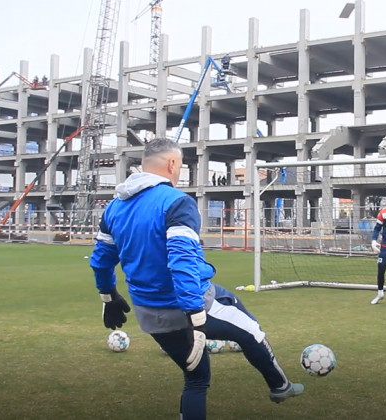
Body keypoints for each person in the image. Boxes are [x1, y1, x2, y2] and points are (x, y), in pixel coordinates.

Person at [89, 138, 303, 420]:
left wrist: (109, 296)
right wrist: (194, 312)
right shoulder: (177, 203)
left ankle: (278, 386)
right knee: (252, 332)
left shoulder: (114, 208)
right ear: (172, 164)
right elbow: (182, 260)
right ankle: (280, 387)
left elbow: (101, 259)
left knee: (196, 380)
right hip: (190, 305)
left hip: (149, 314)